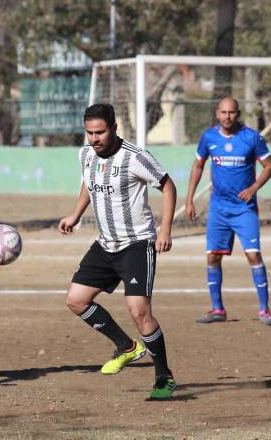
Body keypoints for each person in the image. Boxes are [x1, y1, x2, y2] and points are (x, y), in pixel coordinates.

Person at [58, 103, 177, 400]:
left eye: (100, 132)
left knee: (139, 311)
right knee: (76, 300)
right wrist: (75, 215)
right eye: (89, 133)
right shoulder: (85, 154)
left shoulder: (135, 157)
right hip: (105, 243)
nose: (94, 139)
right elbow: (88, 183)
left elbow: (168, 186)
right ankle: (127, 347)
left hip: (136, 244)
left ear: (113, 128)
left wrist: (165, 229)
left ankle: (163, 377)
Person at [185, 97, 271, 325]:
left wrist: (254, 188)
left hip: (244, 208)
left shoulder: (252, 137)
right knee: (213, 256)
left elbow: (269, 166)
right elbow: (198, 166)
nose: (228, 116)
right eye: (224, 112)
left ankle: (265, 310)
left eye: (232, 112)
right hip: (218, 208)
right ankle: (217, 309)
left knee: (253, 255)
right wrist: (189, 199)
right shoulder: (208, 137)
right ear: (217, 114)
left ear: (238, 114)